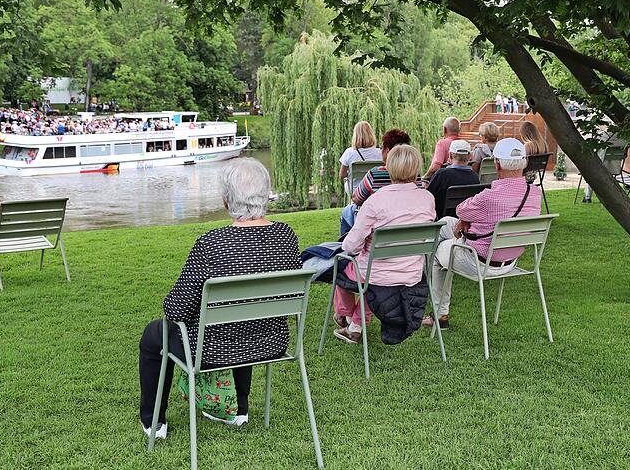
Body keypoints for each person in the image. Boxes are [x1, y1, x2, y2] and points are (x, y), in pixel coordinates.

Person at [138, 158, 299, 438]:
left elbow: (174, 309)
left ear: (226, 200)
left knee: (154, 334)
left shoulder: (212, 243)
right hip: (273, 341)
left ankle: (154, 421)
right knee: (247, 316)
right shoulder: (285, 236)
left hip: (213, 350)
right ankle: (240, 410)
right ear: (266, 195)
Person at [425, 138, 542, 329]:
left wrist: (466, 219)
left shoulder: (490, 197)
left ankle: (439, 314)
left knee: (438, 251)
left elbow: (462, 209)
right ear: (525, 162)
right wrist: (466, 221)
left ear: (497, 164)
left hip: (481, 262)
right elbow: (463, 216)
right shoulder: (535, 194)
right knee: (445, 223)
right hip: (511, 260)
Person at [333, 144, 436, 343]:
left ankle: (345, 315)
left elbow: (350, 246)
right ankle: (354, 324)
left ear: (388, 168)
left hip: (376, 275)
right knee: (372, 272)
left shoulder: (375, 201)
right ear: (416, 168)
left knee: (341, 263)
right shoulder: (428, 198)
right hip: (412, 272)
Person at [339, 129, 419, 235]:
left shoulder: (375, 174)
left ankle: (343, 243)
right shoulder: (416, 177)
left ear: (387, 150)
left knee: (347, 211)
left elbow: (356, 199)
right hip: (408, 224)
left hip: (377, 226)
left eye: (382, 147)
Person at [427, 140, 480, 217]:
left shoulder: (442, 174)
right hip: (465, 219)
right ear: (469, 156)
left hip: (442, 220)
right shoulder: (475, 177)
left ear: (450, 155)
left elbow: (429, 197)